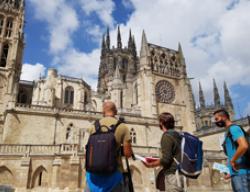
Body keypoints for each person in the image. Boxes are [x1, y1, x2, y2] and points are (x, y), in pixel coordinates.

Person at [85, 101, 132, 192]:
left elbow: (86, 151)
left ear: (103, 111)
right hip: (114, 177)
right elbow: (128, 154)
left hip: (92, 178)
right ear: (116, 111)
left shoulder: (92, 127)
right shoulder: (122, 127)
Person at [143, 112, 185, 192]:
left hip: (172, 175)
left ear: (162, 122)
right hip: (179, 174)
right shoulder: (178, 135)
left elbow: (166, 159)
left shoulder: (167, 136)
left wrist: (151, 164)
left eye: (159, 121)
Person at [213, 109, 250, 192]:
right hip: (236, 174)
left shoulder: (234, 128)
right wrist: (231, 172)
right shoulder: (228, 132)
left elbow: (244, 146)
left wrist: (233, 160)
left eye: (216, 119)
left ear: (224, 117)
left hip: (242, 174)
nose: (215, 122)